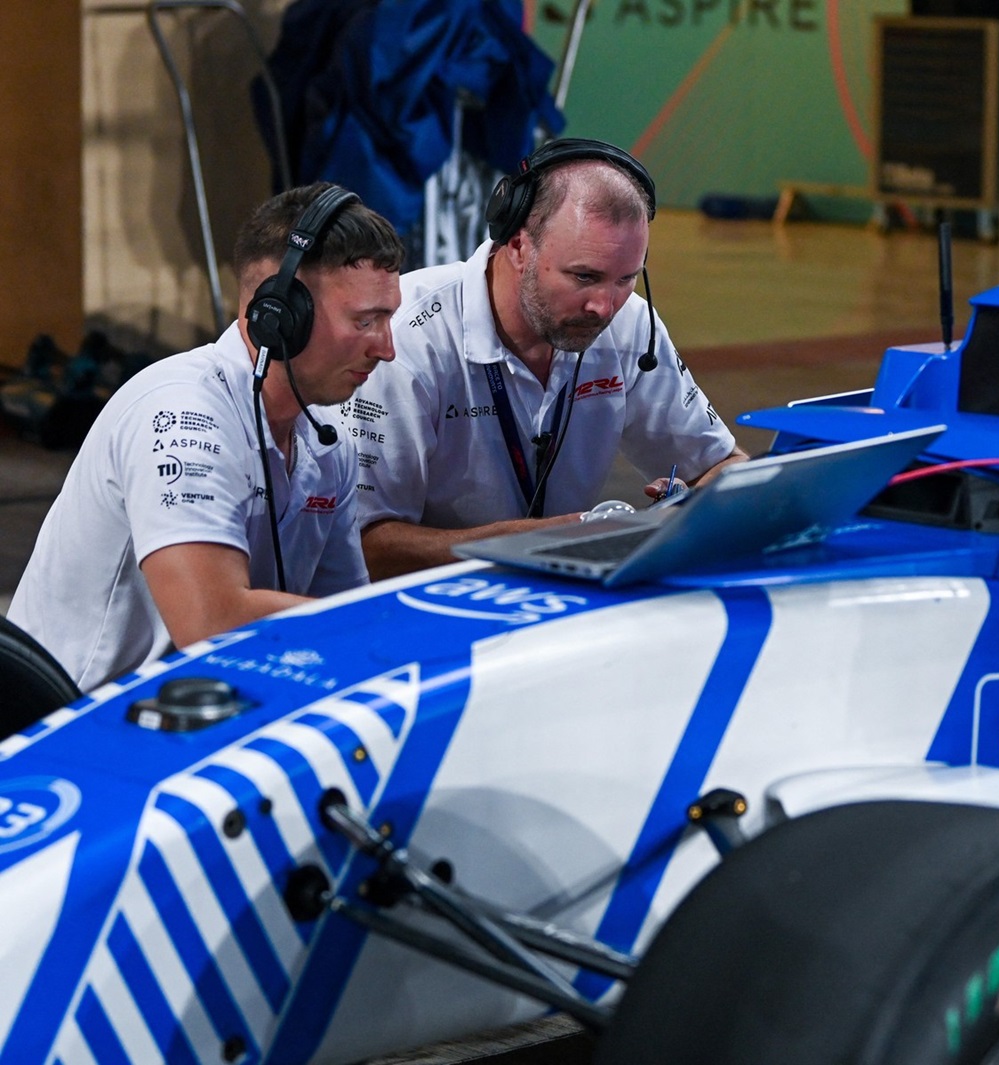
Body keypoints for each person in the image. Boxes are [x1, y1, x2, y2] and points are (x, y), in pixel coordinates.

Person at [8, 183, 404, 692]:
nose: (387, 349)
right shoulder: (180, 414)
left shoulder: (327, 444)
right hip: (70, 728)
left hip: (200, 711)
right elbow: (211, 623)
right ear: (279, 316)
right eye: (365, 320)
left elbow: (341, 611)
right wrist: (405, 628)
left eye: (387, 319)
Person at [346, 138, 748, 580]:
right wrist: (545, 538)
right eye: (584, 276)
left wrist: (686, 509)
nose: (604, 306)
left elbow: (723, 466)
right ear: (517, 245)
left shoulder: (630, 324)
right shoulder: (405, 340)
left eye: (626, 279)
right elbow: (364, 547)